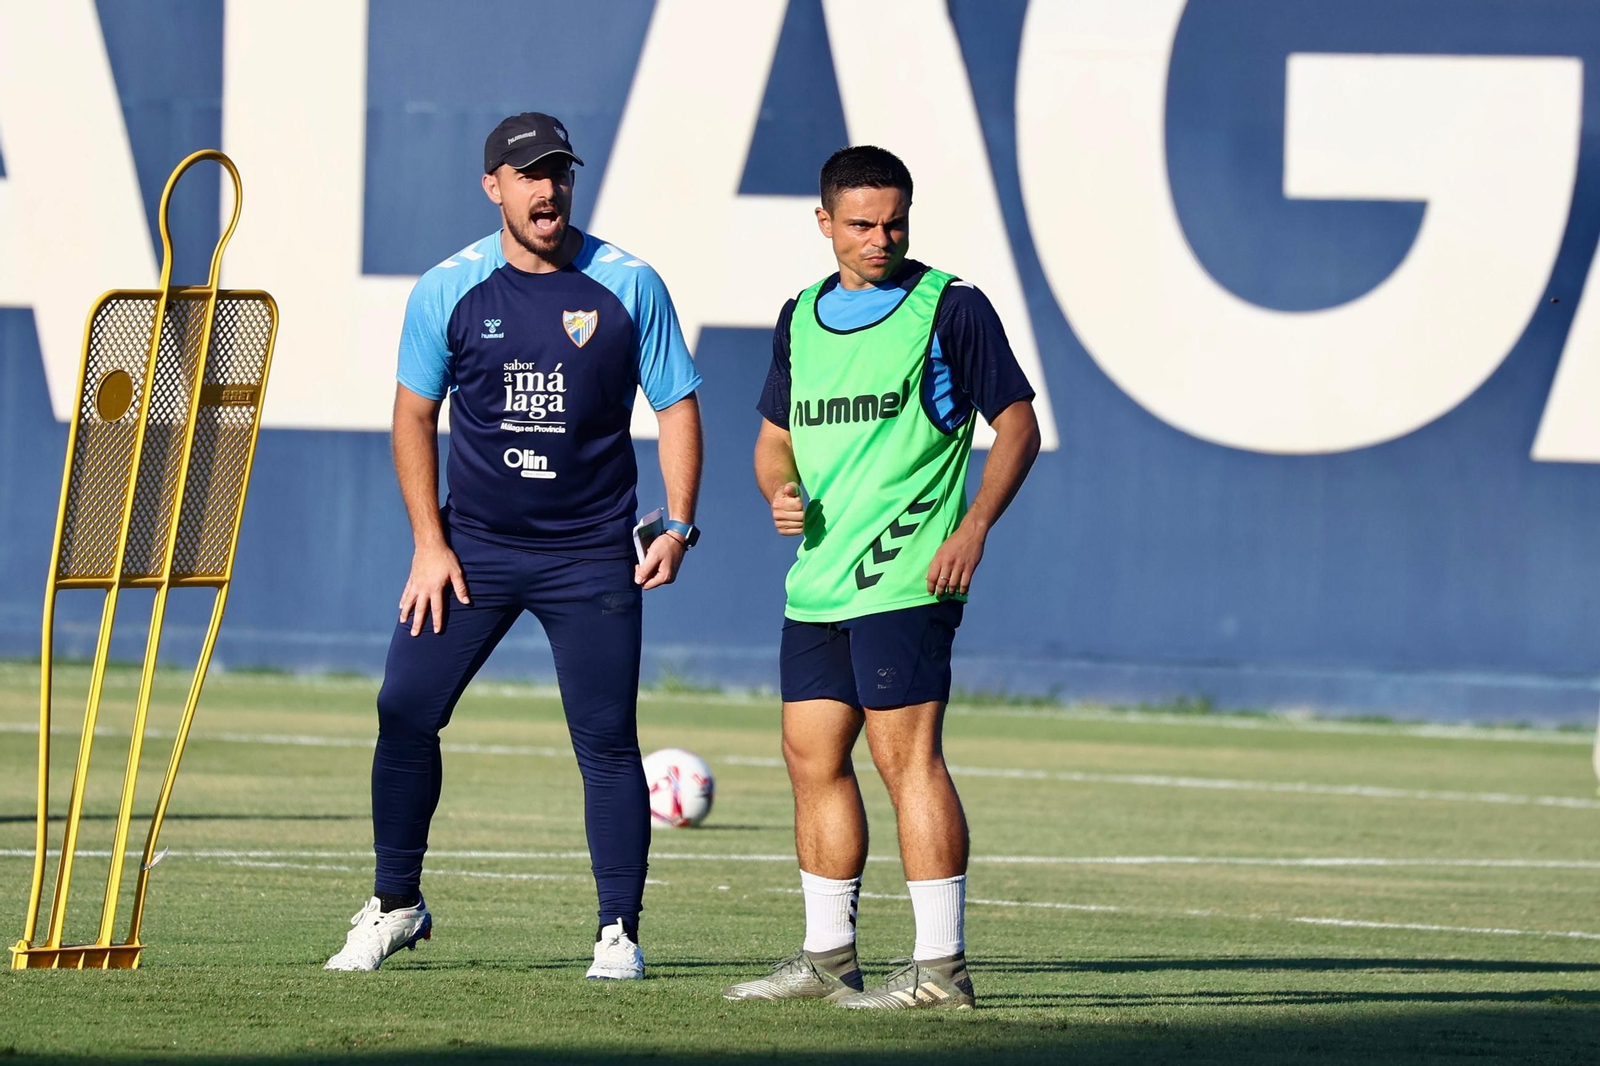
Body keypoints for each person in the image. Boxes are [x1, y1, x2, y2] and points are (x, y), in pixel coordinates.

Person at [324, 112, 704, 978]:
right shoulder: (447, 289)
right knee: (404, 709)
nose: (548, 190)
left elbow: (676, 403)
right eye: (529, 174)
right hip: (474, 549)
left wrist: (677, 522)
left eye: (559, 173)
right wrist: (430, 542)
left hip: (591, 553)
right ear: (493, 185)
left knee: (606, 738)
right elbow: (414, 416)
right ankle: (395, 905)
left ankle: (618, 933)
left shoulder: (628, 282)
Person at [725, 146, 1041, 1009]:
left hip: (909, 575)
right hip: (818, 582)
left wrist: (974, 524)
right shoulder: (800, 317)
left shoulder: (951, 309)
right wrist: (777, 491)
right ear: (823, 222)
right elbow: (772, 440)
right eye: (861, 223)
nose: (881, 237)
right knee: (810, 758)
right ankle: (829, 958)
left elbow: (1017, 427)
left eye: (894, 221)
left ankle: (941, 972)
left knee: (909, 762)